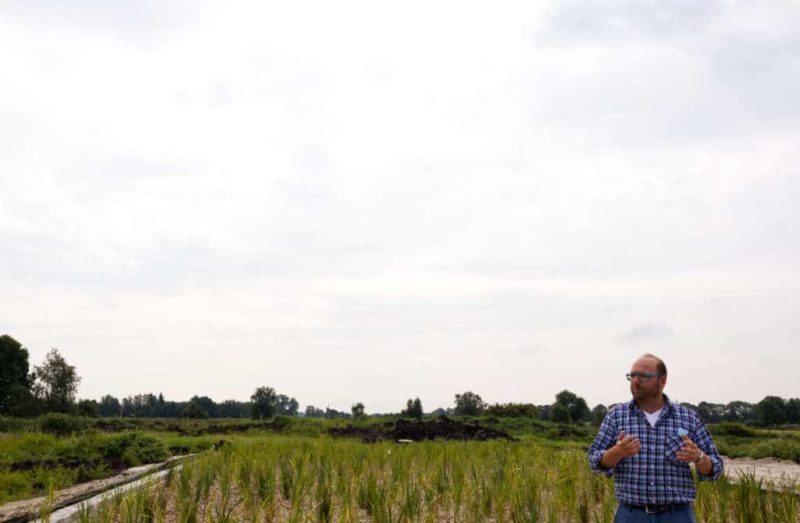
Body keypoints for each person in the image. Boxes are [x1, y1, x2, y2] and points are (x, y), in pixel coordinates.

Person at [587, 354, 723, 522]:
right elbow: (594, 461)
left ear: (662, 381)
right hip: (631, 515)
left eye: (643, 376)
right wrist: (617, 452)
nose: (635, 381)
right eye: (632, 376)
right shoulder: (616, 416)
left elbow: (715, 469)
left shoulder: (688, 418)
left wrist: (699, 457)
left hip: (677, 515)